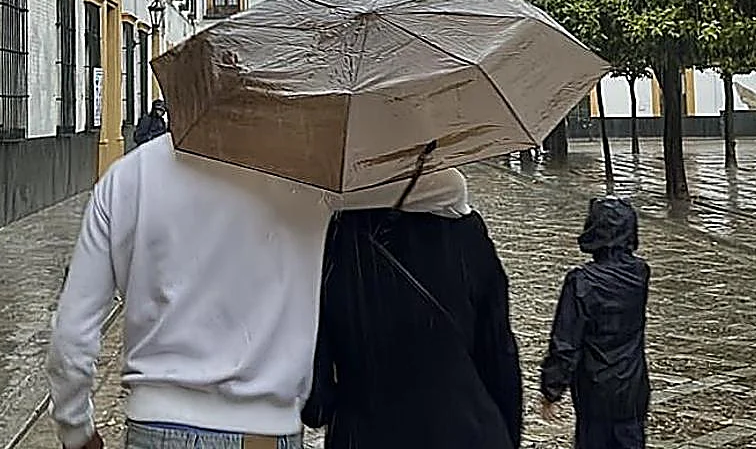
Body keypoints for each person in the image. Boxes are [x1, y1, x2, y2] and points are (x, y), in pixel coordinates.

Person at [46, 134, 333, 449]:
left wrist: (76, 430)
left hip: (158, 423)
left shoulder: (132, 175)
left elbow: (72, 333)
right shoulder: (315, 182)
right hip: (267, 430)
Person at [302, 168, 522, 449]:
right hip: (468, 433)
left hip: (367, 436)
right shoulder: (467, 231)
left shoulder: (335, 238)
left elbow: (316, 403)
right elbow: (500, 357)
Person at [540, 198, 650, 449]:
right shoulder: (640, 273)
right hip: (633, 386)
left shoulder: (581, 282)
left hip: (595, 390)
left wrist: (551, 390)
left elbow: (565, 341)